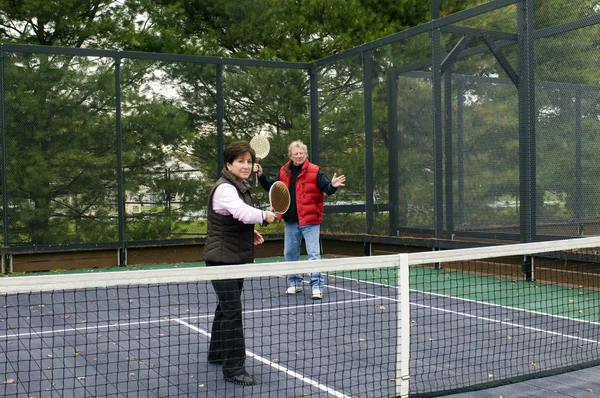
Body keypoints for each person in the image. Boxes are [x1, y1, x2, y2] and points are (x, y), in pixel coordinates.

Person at [204, 141, 276, 386]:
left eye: (249, 161)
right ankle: (233, 368)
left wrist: (248, 232)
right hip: (222, 259)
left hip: (233, 256)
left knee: (226, 308)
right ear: (228, 164)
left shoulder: (239, 185)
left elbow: (235, 218)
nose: (246, 166)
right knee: (232, 312)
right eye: (240, 161)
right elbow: (242, 212)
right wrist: (265, 217)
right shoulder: (225, 188)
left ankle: (217, 354)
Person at [254, 140, 345, 300]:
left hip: (310, 221)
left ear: (305, 154)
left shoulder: (315, 171)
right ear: (291, 155)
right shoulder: (284, 171)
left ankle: (317, 287)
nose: (298, 156)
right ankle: (295, 283)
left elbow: (327, 188)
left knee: (314, 255)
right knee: (290, 254)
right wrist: (261, 175)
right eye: (295, 154)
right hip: (290, 221)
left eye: (301, 153)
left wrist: (333, 185)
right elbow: (272, 188)